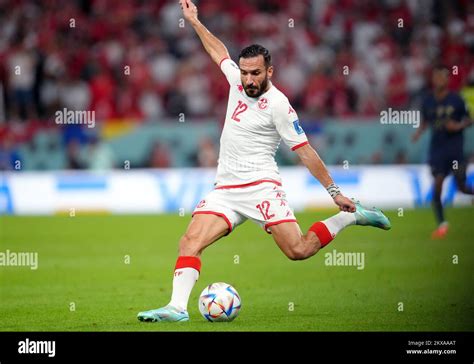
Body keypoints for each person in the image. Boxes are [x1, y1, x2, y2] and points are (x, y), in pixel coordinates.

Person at [137, 0, 391, 322]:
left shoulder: (279, 105)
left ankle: (352, 217)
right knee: (189, 241)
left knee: (298, 250)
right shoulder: (236, 81)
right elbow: (219, 52)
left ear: (269, 71)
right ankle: (176, 308)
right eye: (244, 73)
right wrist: (195, 22)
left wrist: (334, 191)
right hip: (226, 189)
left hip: (262, 188)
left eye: (255, 73)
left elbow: (305, 151)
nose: (248, 80)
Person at [412, 65, 473, 239]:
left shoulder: (456, 100)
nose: (438, 80)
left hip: (455, 149)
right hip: (437, 149)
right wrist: (418, 133)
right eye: (436, 77)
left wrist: (458, 126)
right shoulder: (428, 101)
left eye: (442, 77)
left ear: (447, 80)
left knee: (461, 186)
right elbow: (426, 121)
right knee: (437, 186)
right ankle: (442, 225)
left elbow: (470, 119)